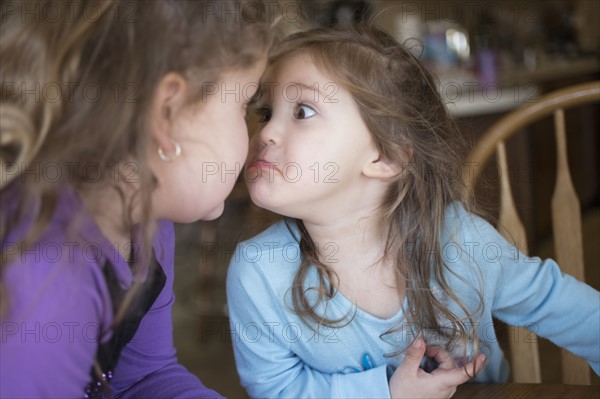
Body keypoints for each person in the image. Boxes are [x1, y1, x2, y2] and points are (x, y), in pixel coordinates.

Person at [226, 26, 600, 398]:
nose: (266, 132)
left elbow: (564, 310)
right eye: (266, 112)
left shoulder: (461, 242)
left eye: (303, 111)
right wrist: (386, 392)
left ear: (386, 156)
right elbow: (276, 389)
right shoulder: (258, 271)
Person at [0, 1, 271, 397]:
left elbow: (144, 378)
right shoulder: (42, 283)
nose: (256, 137)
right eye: (244, 104)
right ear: (166, 112)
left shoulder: (145, 217)